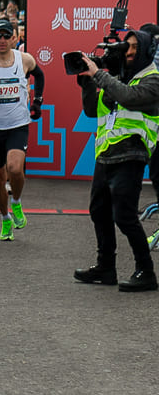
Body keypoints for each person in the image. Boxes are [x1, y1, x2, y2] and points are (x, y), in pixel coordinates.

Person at [72, 28, 159, 291]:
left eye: (134, 47)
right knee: (98, 212)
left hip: (132, 154)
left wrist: (99, 75)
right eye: (126, 47)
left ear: (147, 50)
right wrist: (87, 82)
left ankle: (146, 271)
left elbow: (129, 97)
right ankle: (105, 267)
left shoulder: (153, 79)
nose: (128, 52)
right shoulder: (119, 79)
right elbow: (92, 110)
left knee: (124, 216)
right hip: (106, 154)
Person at [0, 18, 41, 241]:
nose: (2, 40)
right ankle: (5, 218)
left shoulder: (24, 59)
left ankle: (16, 201)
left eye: (6, 36)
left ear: (14, 38)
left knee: (14, 168)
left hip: (17, 125)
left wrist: (38, 101)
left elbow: (39, 74)